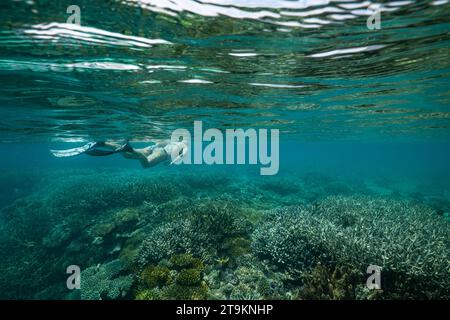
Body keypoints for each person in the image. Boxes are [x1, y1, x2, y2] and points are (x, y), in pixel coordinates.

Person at [50, 140, 188, 167]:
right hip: (162, 153)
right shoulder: (184, 145)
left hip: (152, 147)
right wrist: (171, 162)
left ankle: (102, 143)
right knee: (146, 164)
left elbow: (158, 143)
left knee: (127, 154)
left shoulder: (172, 141)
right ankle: (136, 153)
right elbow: (182, 155)